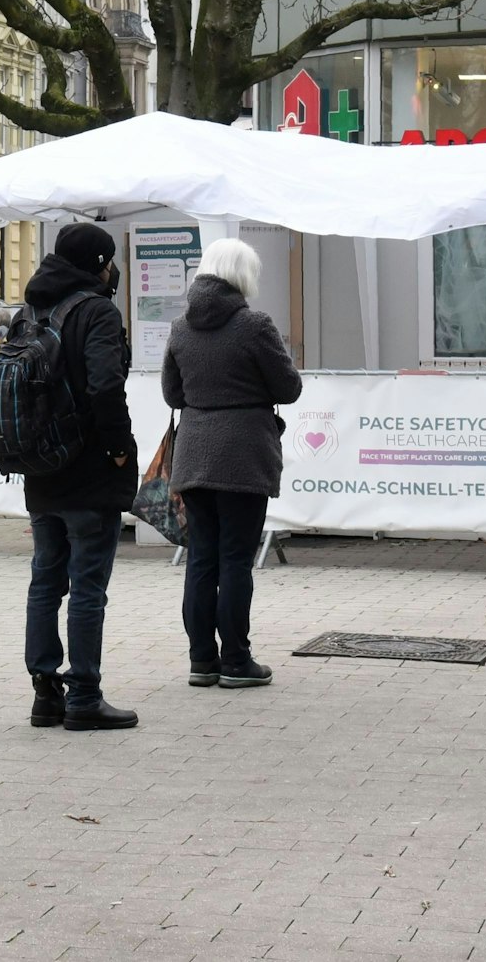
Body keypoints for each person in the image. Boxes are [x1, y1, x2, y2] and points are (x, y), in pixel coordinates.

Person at [162, 239, 302, 688]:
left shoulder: (180, 327)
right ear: (243, 274)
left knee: (202, 559)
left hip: (195, 450)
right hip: (242, 453)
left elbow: (172, 394)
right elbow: (288, 388)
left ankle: (202, 660)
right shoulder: (254, 325)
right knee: (236, 561)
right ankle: (237, 662)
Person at [23, 223, 138, 730]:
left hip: (41, 468)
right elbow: (105, 386)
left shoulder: (33, 310)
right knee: (88, 584)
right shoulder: (97, 311)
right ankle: (85, 696)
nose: (113, 270)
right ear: (98, 264)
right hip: (89, 467)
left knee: (46, 579)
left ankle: (45, 693)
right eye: (109, 260)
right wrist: (117, 449)